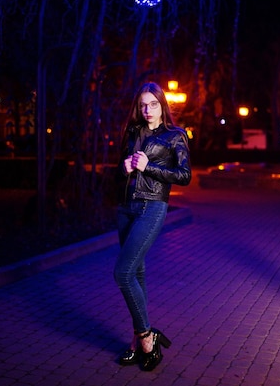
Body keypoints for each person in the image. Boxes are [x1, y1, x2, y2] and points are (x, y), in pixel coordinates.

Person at [114, 82, 192, 371]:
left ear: (162, 105)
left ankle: (147, 336)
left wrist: (149, 167)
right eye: (143, 105)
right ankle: (138, 340)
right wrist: (123, 169)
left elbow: (184, 176)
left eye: (153, 104)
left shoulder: (175, 135)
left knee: (122, 273)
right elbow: (119, 170)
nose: (147, 110)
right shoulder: (133, 132)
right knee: (137, 272)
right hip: (125, 207)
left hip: (152, 206)